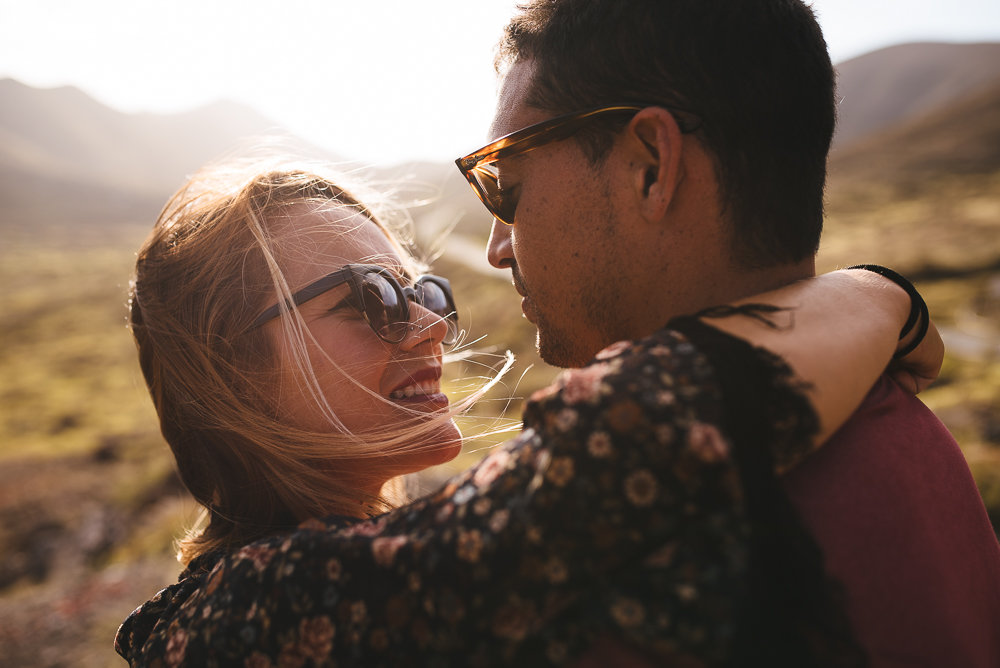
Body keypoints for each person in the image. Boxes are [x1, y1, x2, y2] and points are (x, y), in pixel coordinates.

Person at [118, 158, 939, 666]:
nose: (433, 325)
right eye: (368, 299)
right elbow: (618, 455)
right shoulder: (240, 620)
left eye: (419, 290)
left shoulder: (330, 570)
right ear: (231, 371)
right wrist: (879, 295)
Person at [453, 0, 1000, 665]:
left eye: (503, 188)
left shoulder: (646, 541)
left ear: (650, 165)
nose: (496, 248)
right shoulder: (912, 436)